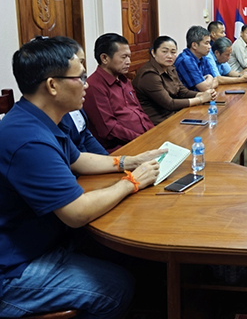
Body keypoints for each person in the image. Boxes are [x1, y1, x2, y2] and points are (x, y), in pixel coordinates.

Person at [0, 36, 164, 318]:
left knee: (134, 259)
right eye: (81, 77)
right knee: (116, 287)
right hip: (14, 270)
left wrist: (129, 161)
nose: (87, 85)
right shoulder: (28, 139)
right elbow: (76, 213)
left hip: (46, 239)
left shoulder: (42, 117)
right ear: (53, 85)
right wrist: (132, 182)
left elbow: (77, 158)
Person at [83, 33, 154, 153]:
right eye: (124, 57)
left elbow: (139, 111)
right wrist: (142, 139)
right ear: (104, 58)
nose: (129, 62)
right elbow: (109, 129)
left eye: (129, 57)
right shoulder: (94, 86)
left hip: (144, 138)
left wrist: (154, 132)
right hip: (121, 148)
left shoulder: (124, 80)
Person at [133, 36, 217, 125]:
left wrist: (203, 94)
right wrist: (200, 99)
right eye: (164, 51)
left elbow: (182, 91)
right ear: (153, 53)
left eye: (173, 52)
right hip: (158, 122)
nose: (169, 56)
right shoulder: (149, 74)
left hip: (174, 114)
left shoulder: (170, 68)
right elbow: (170, 104)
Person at [175, 25, 218, 91]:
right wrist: (210, 77)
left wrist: (208, 82)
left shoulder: (203, 57)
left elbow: (216, 81)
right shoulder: (186, 60)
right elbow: (204, 88)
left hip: (202, 95)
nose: (210, 47)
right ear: (194, 45)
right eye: (206, 43)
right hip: (188, 96)